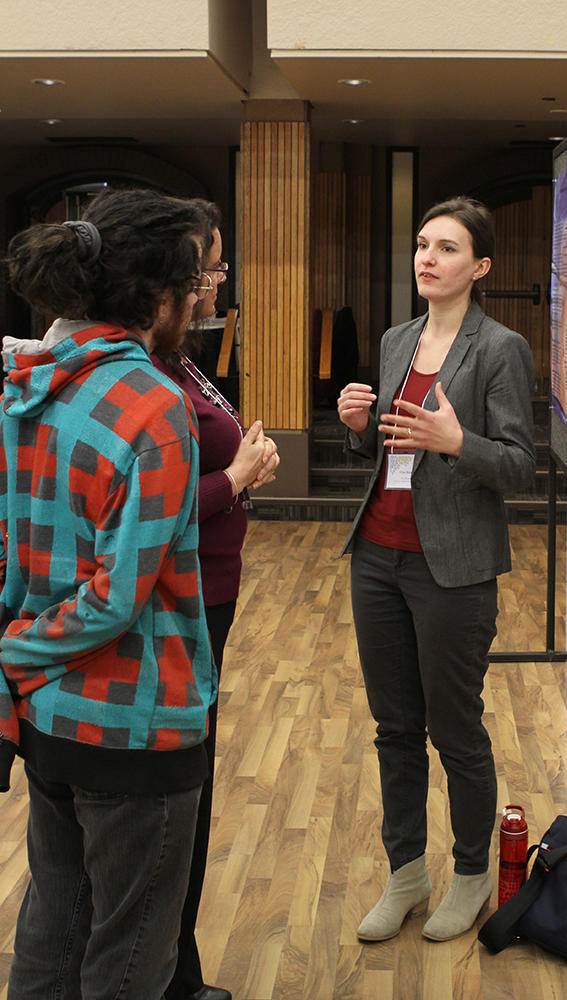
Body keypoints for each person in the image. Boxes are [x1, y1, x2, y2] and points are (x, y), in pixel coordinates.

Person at [0, 189, 217, 999]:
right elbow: (115, 599)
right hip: (135, 732)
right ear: (160, 296)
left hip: (46, 722)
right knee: (129, 964)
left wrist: (17, 661)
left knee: (51, 938)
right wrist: (12, 649)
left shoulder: (24, 386)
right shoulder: (156, 406)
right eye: (195, 288)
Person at [337, 196, 536, 942]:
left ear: (480, 266)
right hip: (377, 558)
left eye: (447, 248)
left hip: (452, 569)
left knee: (456, 730)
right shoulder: (397, 340)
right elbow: (386, 451)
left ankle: (472, 873)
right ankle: (405, 873)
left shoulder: (500, 348)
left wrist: (457, 441)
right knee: (394, 726)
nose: (428, 258)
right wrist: (359, 430)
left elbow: (520, 468)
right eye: (423, 244)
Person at [152, 203, 279, 1000]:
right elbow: (151, 507)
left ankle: (177, 970)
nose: (220, 282)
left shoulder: (181, 359)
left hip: (211, 592)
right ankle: (166, 976)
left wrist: (242, 466)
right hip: (181, 598)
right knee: (176, 802)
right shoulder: (147, 373)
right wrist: (236, 479)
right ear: (179, 276)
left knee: (190, 795)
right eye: (214, 268)